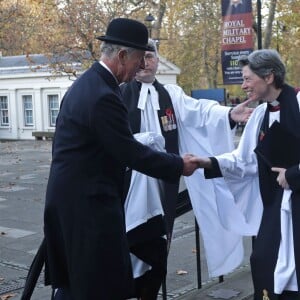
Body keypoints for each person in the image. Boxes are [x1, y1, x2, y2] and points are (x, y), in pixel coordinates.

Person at [43, 18, 200, 300]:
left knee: (76, 281)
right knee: (94, 285)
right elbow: (129, 151)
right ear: (122, 55)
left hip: (73, 201)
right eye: (139, 59)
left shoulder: (89, 84)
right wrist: (178, 164)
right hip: (87, 207)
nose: (142, 66)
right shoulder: (103, 95)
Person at [120, 39, 255, 299]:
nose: (146, 62)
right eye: (141, 56)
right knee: (130, 247)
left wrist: (229, 114)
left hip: (164, 188)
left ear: (157, 60)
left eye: (150, 56)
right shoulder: (119, 93)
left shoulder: (170, 94)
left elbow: (199, 111)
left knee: (158, 247)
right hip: (127, 191)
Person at [195, 49, 300, 300]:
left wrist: (295, 174)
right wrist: (207, 162)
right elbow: (244, 161)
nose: (243, 86)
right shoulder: (261, 115)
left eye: (247, 79)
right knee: (264, 262)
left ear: (269, 77)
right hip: (276, 209)